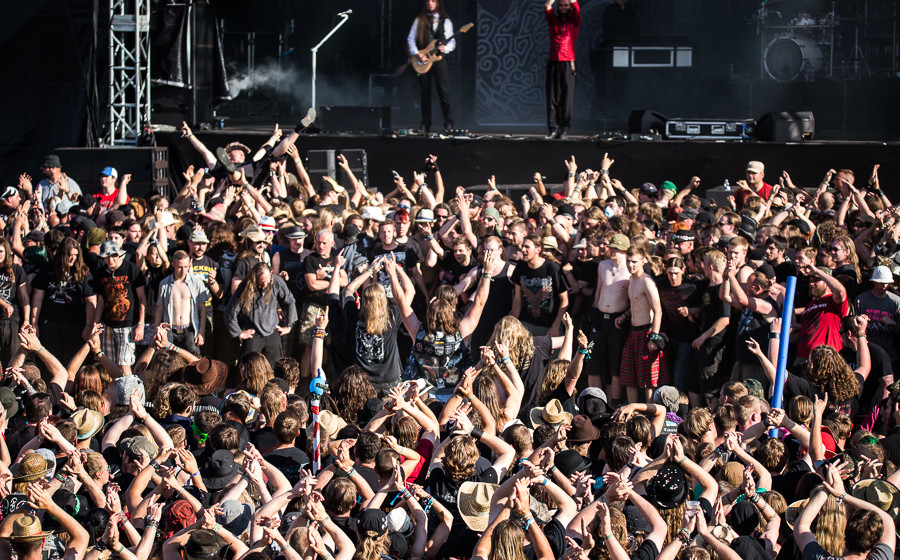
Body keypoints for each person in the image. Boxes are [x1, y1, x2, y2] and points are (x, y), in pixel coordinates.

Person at [225, 261, 297, 364]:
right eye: (261, 282)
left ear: (271, 273)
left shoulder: (276, 282)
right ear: (255, 277)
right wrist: (239, 333)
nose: (265, 284)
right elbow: (230, 311)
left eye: (267, 281)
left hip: (272, 332)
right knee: (250, 371)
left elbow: (290, 301)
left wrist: (289, 326)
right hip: (253, 334)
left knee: (275, 370)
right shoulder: (246, 286)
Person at [93, 240, 147, 375]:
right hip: (107, 325)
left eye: (113, 256)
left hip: (127, 325)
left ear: (119, 255)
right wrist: (95, 323)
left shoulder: (131, 269)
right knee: (106, 364)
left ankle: (130, 392)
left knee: (124, 364)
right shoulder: (101, 272)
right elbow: (100, 300)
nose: (110, 260)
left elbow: (142, 298)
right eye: (107, 257)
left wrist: (141, 324)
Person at [408, 0, 456, 133]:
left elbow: (452, 43)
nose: (430, 3)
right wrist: (417, 54)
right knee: (425, 93)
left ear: (438, 3)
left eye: (433, 1)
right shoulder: (419, 20)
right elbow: (410, 39)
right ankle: (425, 123)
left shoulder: (445, 21)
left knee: (443, 91)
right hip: (423, 60)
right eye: (428, 1)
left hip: (439, 60)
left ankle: (449, 122)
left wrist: (444, 48)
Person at [155, 250, 210, 356]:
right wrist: (156, 332)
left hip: (189, 330)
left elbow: (202, 309)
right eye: (180, 267)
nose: (183, 270)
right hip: (170, 331)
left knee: (194, 363)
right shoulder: (164, 284)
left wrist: (201, 331)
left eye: (185, 267)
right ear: (173, 264)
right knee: (168, 364)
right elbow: (159, 309)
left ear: (189, 264)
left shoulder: (196, 283)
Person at [544, 0, 580, 139]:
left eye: (566, 5)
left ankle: (564, 129)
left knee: (567, 98)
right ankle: (553, 129)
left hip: (568, 62)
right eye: (561, 5)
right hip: (553, 62)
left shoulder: (575, 20)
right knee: (552, 98)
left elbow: (575, 4)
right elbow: (547, 6)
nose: (563, 8)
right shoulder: (553, 20)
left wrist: (570, 2)